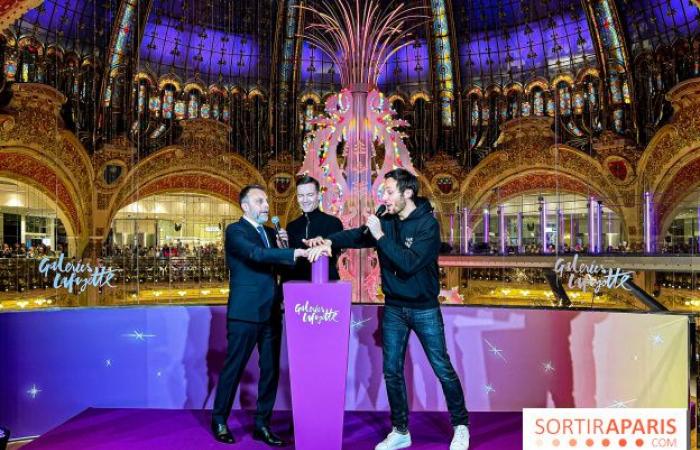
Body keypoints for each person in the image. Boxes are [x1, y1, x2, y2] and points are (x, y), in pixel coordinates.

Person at [306, 168, 470, 450]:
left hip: (424, 308)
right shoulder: (387, 218)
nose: (384, 197)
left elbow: (408, 263)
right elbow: (358, 236)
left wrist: (381, 236)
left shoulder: (427, 226)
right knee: (391, 370)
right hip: (394, 307)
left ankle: (461, 425)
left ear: (408, 193)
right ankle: (401, 430)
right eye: (384, 192)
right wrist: (329, 241)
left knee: (441, 367)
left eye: (389, 192)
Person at [211, 184, 309, 446]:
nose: (266, 206)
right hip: (244, 313)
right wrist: (292, 252)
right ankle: (219, 419)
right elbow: (256, 255)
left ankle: (262, 424)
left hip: (271, 312)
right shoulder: (236, 231)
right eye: (259, 201)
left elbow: (273, 263)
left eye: (266, 201)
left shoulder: (270, 232)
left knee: (270, 371)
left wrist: (286, 250)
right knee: (234, 368)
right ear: (245, 206)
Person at [283, 175, 344, 282]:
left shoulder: (333, 223)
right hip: (296, 285)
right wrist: (283, 246)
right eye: (301, 195)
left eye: (310, 195)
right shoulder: (291, 226)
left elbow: (335, 252)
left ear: (319, 196)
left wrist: (321, 244)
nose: (305, 200)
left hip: (325, 283)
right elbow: (289, 261)